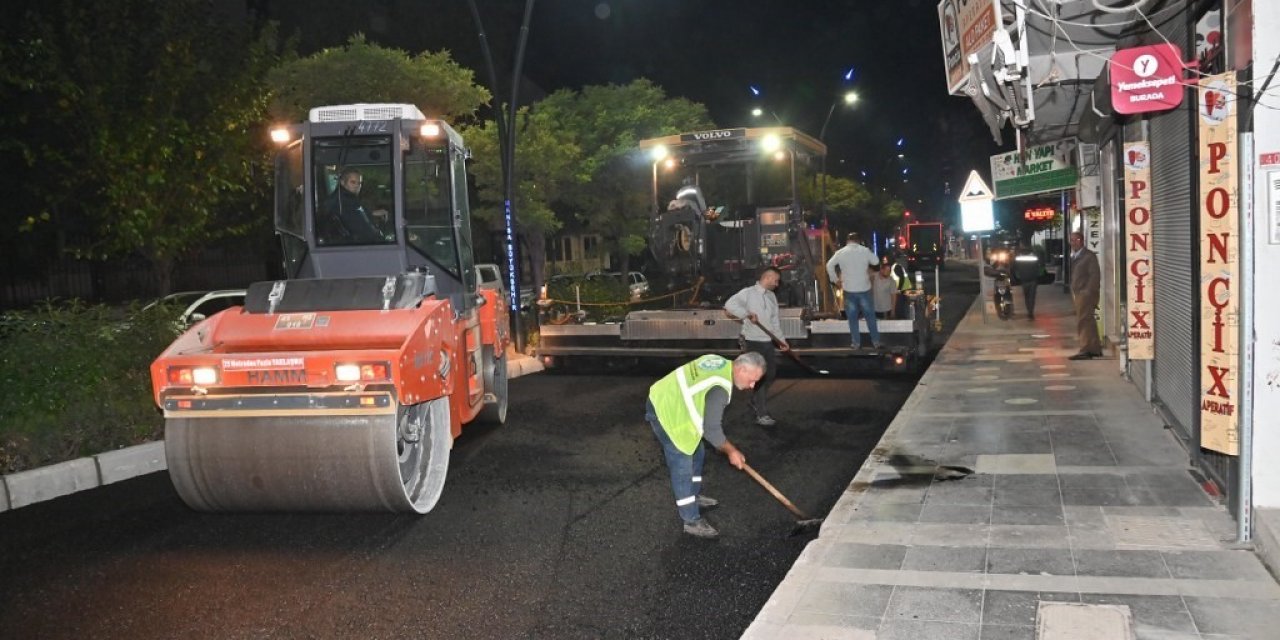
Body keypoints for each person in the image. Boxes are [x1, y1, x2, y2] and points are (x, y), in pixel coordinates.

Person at [645, 352, 766, 539]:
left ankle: (693, 496)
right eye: (752, 380)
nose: (752, 386)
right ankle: (691, 520)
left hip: (668, 396)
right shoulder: (720, 389)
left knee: (698, 452)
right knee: (682, 461)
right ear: (742, 369)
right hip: (666, 410)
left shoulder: (718, 361)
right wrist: (731, 451)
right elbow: (711, 430)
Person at [724, 267, 789, 427]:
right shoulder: (748, 293)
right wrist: (746, 313)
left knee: (771, 373)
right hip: (752, 341)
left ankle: (754, 400)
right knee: (759, 377)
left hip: (767, 341)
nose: (777, 283)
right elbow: (729, 305)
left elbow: (774, 322)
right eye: (776, 280)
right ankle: (762, 414)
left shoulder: (772, 296)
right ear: (767, 277)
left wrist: (782, 340)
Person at [826, 232, 882, 351]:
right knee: (870, 316)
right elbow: (876, 262)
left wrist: (835, 280)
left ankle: (856, 343)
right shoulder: (864, 250)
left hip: (849, 290)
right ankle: (876, 342)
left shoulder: (840, 252)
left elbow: (829, 265)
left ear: (847, 241)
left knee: (852, 318)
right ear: (858, 240)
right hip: (864, 289)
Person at [320, 168, 387, 244]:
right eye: (353, 182)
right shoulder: (342, 202)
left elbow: (357, 213)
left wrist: (371, 213)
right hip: (355, 246)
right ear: (342, 182)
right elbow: (361, 228)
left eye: (359, 183)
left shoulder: (347, 199)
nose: (357, 186)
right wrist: (379, 238)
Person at [1067, 231, 1103, 360]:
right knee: (1088, 320)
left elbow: (1095, 275)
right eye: (1071, 240)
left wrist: (1088, 290)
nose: (1073, 243)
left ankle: (1085, 349)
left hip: (1085, 294)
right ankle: (1094, 348)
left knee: (1083, 320)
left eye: (1075, 240)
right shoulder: (1075, 256)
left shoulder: (1088, 256)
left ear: (1081, 241)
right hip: (1078, 292)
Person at [1011, 243, 1043, 320]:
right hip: (1033, 279)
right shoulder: (1034, 257)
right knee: (1032, 297)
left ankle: (1029, 310)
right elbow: (1040, 266)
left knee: (1026, 297)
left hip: (1024, 280)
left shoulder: (1018, 258)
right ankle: (1030, 312)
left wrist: (1017, 277)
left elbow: (1014, 268)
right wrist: (1038, 275)